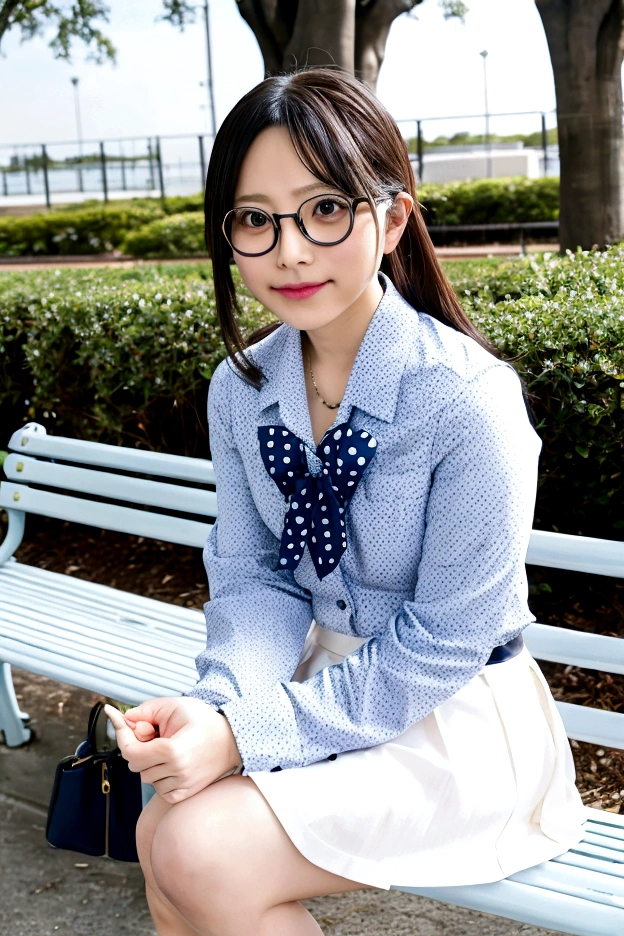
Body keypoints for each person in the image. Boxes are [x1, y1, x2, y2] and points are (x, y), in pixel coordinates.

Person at [105, 67, 586, 936]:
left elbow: (445, 643)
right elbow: (255, 581)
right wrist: (219, 710)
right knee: (163, 825)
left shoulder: (466, 399)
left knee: (194, 847)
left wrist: (246, 736)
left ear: (393, 217)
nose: (288, 250)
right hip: (321, 689)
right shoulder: (242, 388)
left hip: (455, 723)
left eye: (325, 209)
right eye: (255, 219)